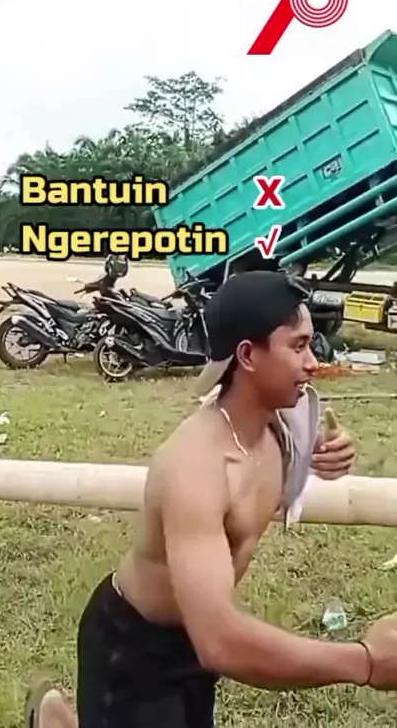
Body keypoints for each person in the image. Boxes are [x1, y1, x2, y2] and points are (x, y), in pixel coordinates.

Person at [24, 270, 397, 728]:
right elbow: (220, 641)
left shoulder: (285, 420)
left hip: (193, 638)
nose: (313, 363)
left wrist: (330, 452)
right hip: (135, 648)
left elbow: (309, 444)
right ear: (248, 355)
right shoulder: (195, 467)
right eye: (298, 346)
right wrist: (366, 662)